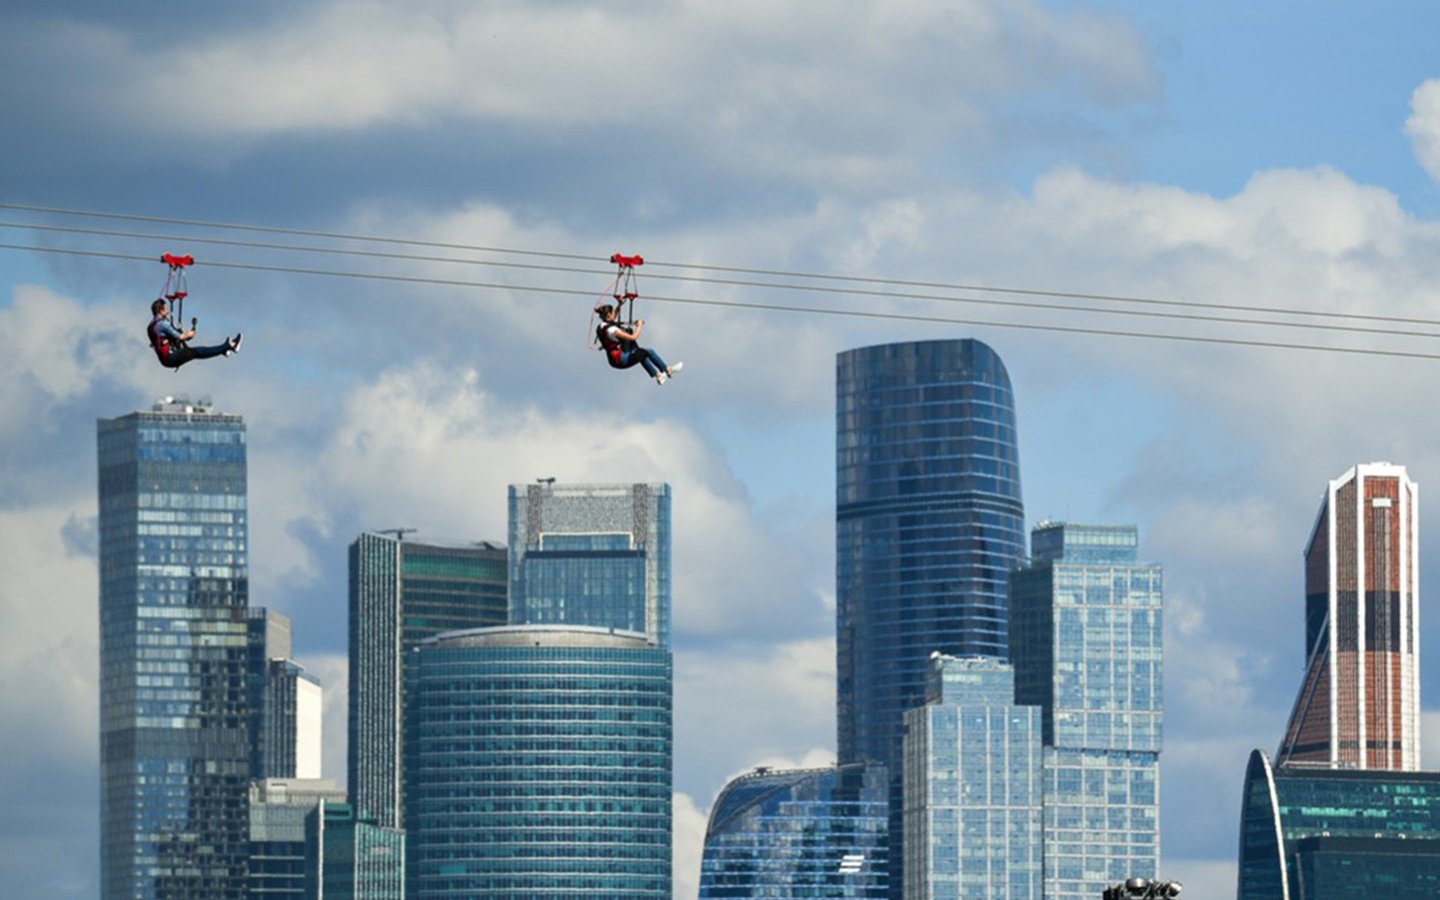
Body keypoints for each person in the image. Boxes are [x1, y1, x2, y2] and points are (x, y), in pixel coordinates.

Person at [595, 303, 682, 384]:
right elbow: (634, 337)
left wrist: (620, 304)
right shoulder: (612, 330)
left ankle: (659, 375)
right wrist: (639, 325)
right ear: (609, 314)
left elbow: (611, 321)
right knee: (648, 351)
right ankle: (667, 370)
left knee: (639, 352)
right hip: (621, 360)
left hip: (614, 358)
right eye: (613, 312)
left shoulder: (602, 326)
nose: (615, 314)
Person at [147, 298, 242, 369]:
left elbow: (167, 338)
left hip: (166, 359)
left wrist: (186, 336)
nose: (167, 308)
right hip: (170, 358)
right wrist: (189, 334)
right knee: (196, 352)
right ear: (161, 310)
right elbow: (180, 337)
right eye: (166, 307)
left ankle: (223, 350)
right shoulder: (163, 324)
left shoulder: (151, 326)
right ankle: (230, 346)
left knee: (194, 352)